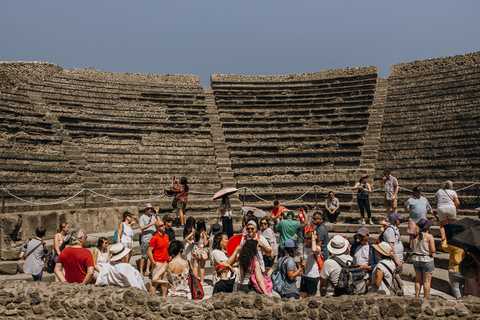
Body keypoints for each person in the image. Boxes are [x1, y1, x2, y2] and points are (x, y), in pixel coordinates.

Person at [410, 218, 436, 297]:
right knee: (426, 281)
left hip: (416, 258)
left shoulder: (414, 235)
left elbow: (412, 247)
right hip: (426, 259)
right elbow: (433, 250)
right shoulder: (429, 236)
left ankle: (417, 296)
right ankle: (426, 297)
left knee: (418, 280)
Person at [440, 226, 466, 299]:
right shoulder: (468, 245)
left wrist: (444, 238)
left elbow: (444, 246)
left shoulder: (455, 244)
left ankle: (460, 302)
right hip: (467, 269)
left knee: (456, 289)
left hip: (455, 269)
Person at [148, 220, 170, 295]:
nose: (163, 226)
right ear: (157, 228)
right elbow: (149, 250)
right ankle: (151, 297)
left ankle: (164, 297)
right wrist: (153, 261)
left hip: (165, 262)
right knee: (155, 282)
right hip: (158, 262)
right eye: (161, 225)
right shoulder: (155, 238)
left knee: (164, 281)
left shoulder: (166, 236)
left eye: (163, 224)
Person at [300, 230, 320, 298]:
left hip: (312, 275)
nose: (304, 239)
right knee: (302, 294)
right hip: (304, 275)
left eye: (306, 238)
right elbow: (302, 257)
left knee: (312, 296)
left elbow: (314, 250)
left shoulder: (318, 248)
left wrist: (313, 239)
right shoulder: (305, 247)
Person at [139, 203, 158, 276]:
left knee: (150, 255)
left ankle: (147, 270)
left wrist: (157, 213)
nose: (150, 210)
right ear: (145, 210)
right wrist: (150, 224)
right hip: (145, 239)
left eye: (151, 209)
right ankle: (141, 271)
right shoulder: (142, 217)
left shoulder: (153, 216)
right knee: (144, 255)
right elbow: (142, 228)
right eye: (148, 209)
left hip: (152, 238)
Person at [191, 219, 209, 286]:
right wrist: (208, 239)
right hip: (201, 250)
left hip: (195, 249)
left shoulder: (195, 232)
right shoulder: (204, 233)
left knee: (195, 266)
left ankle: (195, 280)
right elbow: (205, 243)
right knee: (202, 267)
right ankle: (202, 281)